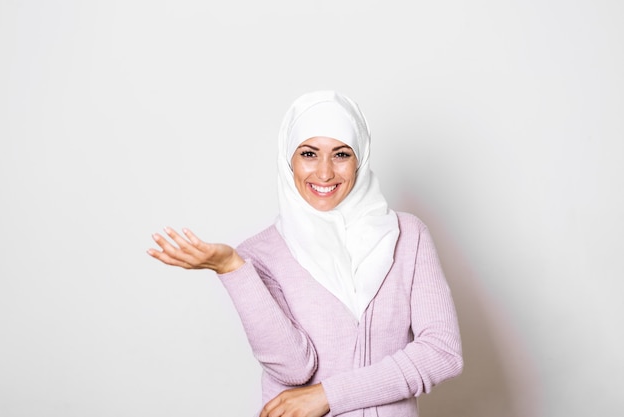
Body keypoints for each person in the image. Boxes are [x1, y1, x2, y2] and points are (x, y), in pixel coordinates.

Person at [147, 90, 463, 417]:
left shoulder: (408, 235)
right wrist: (232, 269)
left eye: (341, 154)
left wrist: (329, 395)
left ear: (361, 158)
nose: (324, 173)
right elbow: (294, 370)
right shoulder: (259, 255)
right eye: (309, 154)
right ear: (289, 160)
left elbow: (442, 353)